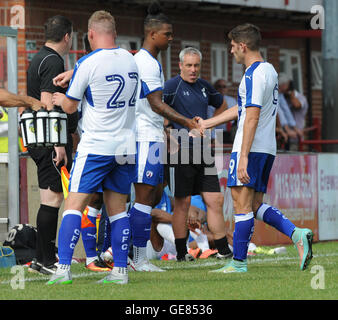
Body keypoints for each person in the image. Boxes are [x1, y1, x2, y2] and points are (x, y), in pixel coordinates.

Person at [198, 23, 313, 273]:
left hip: (250, 147)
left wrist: (243, 157)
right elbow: (241, 108)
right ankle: (297, 234)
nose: (230, 52)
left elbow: (251, 117)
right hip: (267, 148)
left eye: (231, 47)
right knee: (252, 206)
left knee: (241, 204)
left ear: (243, 46)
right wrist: (209, 122)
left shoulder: (252, 74)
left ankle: (238, 263)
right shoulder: (269, 70)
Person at [47, 10, 139, 285]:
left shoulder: (87, 62)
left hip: (97, 145)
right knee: (118, 209)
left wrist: (59, 97)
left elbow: (71, 106)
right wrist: (75, 74)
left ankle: (63, 270)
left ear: (90, 34)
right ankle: (120, 272)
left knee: (74, 206)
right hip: (125, 145)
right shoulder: (130, 60)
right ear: (114, 31)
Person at [127, 1, 201, 271]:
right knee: (144, 197)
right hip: (144, 136)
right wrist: (186, 121)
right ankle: (137, 258)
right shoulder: (145, 62)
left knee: (154, 193)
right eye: (167, 34)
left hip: (154, 135)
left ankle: (135, 256)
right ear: (152, 34)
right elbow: (156, 103)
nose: (171, 38)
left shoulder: (152, 61)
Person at [163, 46, 232, 262]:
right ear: (180, 65)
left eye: (197, 66)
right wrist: (168, 135)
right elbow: (157, 108)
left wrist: (210, 126)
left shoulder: (204, 87)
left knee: (215, 200)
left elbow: (223, 105)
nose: (193, 70)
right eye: (189, 65)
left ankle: (222, 249)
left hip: (204, 152)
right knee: (182, 203)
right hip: (180, 153)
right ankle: (182, 253)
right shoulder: (172, 86)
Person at [25, 15, 78, 275]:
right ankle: (46, 260)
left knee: (49, 197)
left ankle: (39, 258)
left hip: (40, 137)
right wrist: (59, 144)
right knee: (53, 198)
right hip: (49, 138)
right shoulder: (53, 60)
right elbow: (48, 103)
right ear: (67, 37)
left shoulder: (38, 57)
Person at [279, 73, 309, 151]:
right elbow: (279, 111)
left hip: (294, 136)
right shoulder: (279, 94)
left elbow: (295, 106)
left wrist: (295, 128)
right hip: (284, 135)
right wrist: (287, 129)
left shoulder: (301, 98)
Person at [207, 79, 237, 144]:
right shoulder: (211, 103)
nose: (222, 88)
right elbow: (210, 121)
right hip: (218, 133)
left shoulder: (232, 101)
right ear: (214, 88)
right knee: (219, 153)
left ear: (227, 88)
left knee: (231, 153)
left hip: (232, 133)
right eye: (219, 86)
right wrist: (213, 137)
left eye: (224, 86)